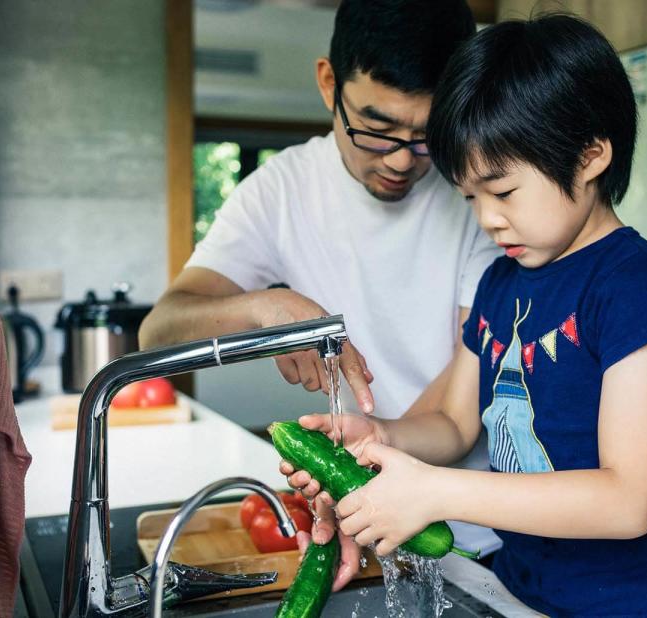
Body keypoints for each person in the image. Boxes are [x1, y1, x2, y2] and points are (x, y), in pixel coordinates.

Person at [283, 14, 647, 616]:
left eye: (504, 192)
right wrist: (382, 437)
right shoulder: (500, 282)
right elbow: (456, 423)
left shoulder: (630, 284)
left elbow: (629, 500)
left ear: (591, 154)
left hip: (643, 598)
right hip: (527, 587)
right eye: (470, 196)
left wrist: (436, 491)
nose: (487, 218)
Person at [138, 0, 501, 589]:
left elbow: (461, 393)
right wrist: (265, 309)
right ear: (328, 82)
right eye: (377, 129)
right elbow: (159, 330)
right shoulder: (280, 191)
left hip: (474, 537)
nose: (403, 160)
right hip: (361, 524)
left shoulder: (482, 194)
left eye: (426, 134)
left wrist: (365, 479)